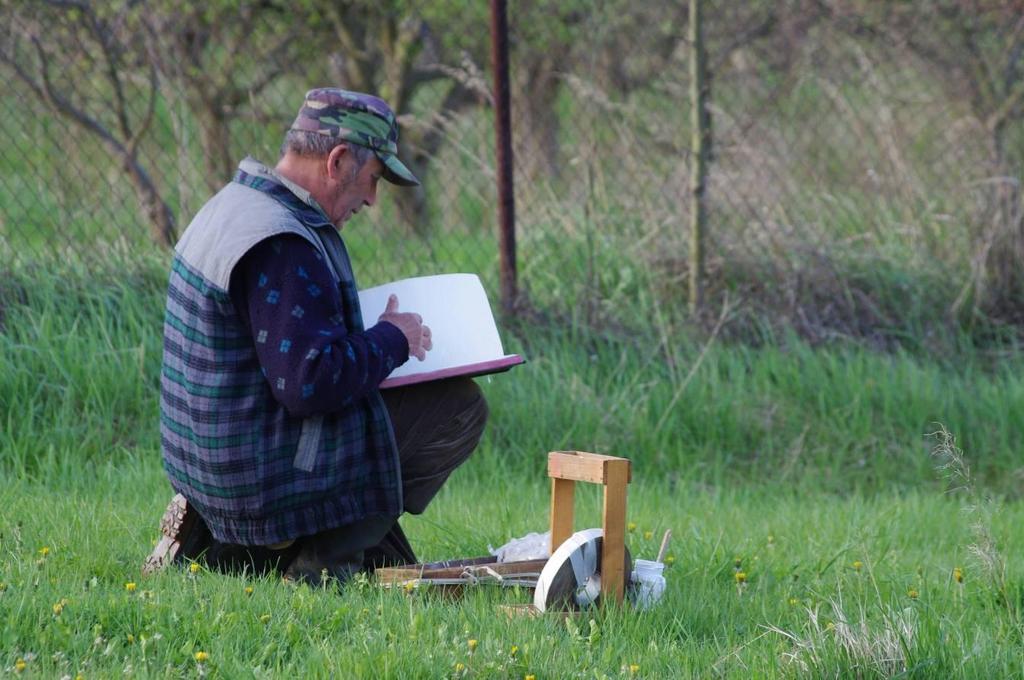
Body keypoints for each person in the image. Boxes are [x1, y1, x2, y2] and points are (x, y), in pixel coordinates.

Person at [142, 88, 488, 585]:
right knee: (456, 407)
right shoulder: (283, 243)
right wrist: (394, 339)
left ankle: (235, 545)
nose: (371, 199)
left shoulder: (232, 207)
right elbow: (310, 384)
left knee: (377, 400)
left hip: (206, 469)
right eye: (372, 180)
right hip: (254, 482)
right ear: (339, 160)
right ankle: (316, 561)